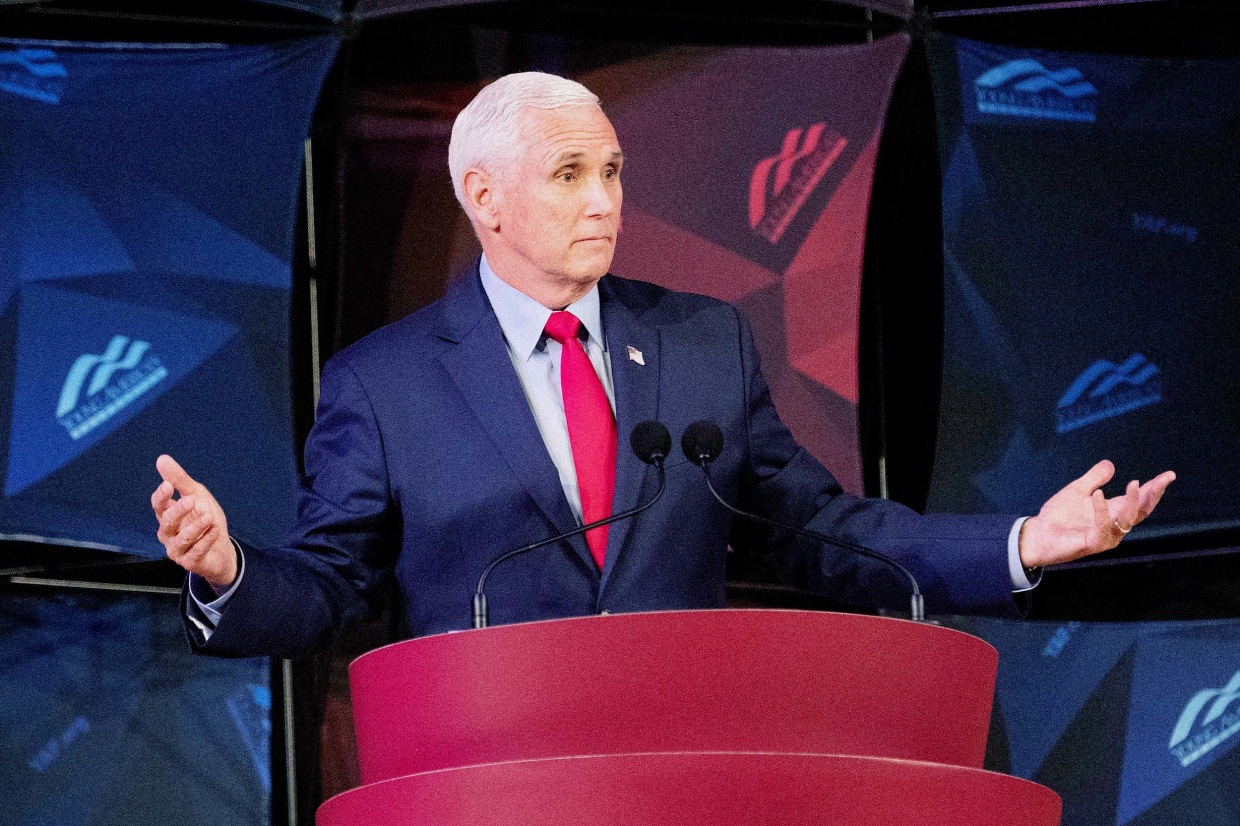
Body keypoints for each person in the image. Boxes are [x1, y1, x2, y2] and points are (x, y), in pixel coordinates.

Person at [152, 72, 1175, 658]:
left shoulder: (702, 341)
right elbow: (330, 586)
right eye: (568, 174)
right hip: (485, 780)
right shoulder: (384, 384)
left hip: (675, 767)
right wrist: (226, 568)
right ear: (484, 197)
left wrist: (1024, 541)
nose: (604, 199)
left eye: (611, 171)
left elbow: (818, 533)